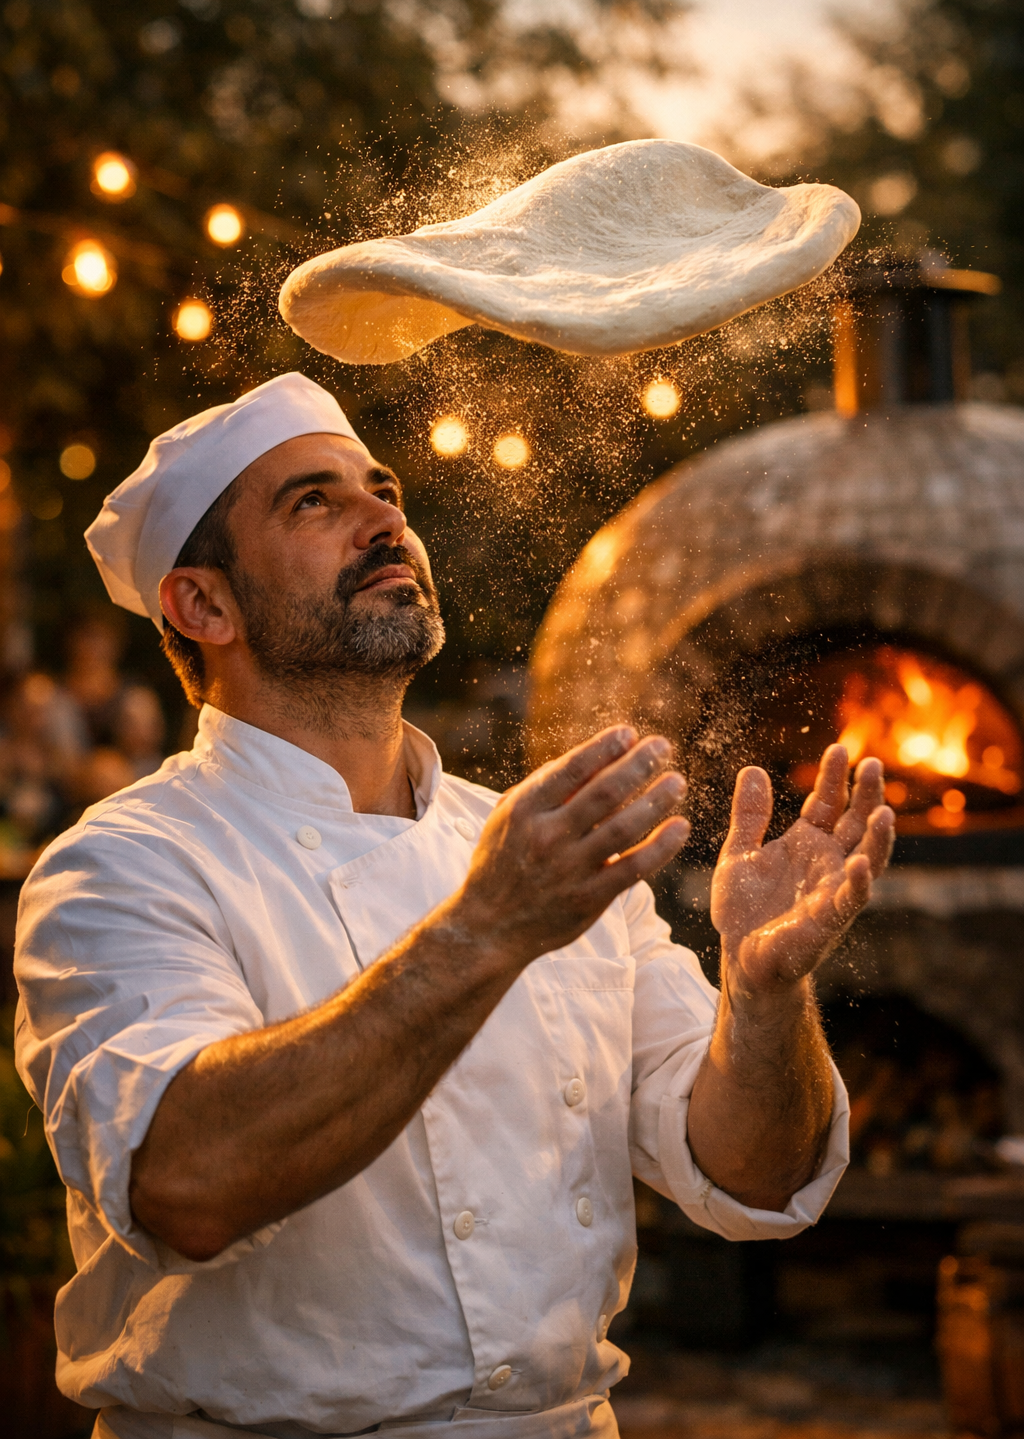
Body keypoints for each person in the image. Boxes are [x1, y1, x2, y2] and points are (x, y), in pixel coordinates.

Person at [13, 373, 894, 1439]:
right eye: (314, 502)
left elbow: (751, 1172)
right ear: (204, 606)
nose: (385, 521)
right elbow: (184, 1183)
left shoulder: (537, 848)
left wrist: (761, 998)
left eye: (383, 491)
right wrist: (487, 929)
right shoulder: (123, 866)